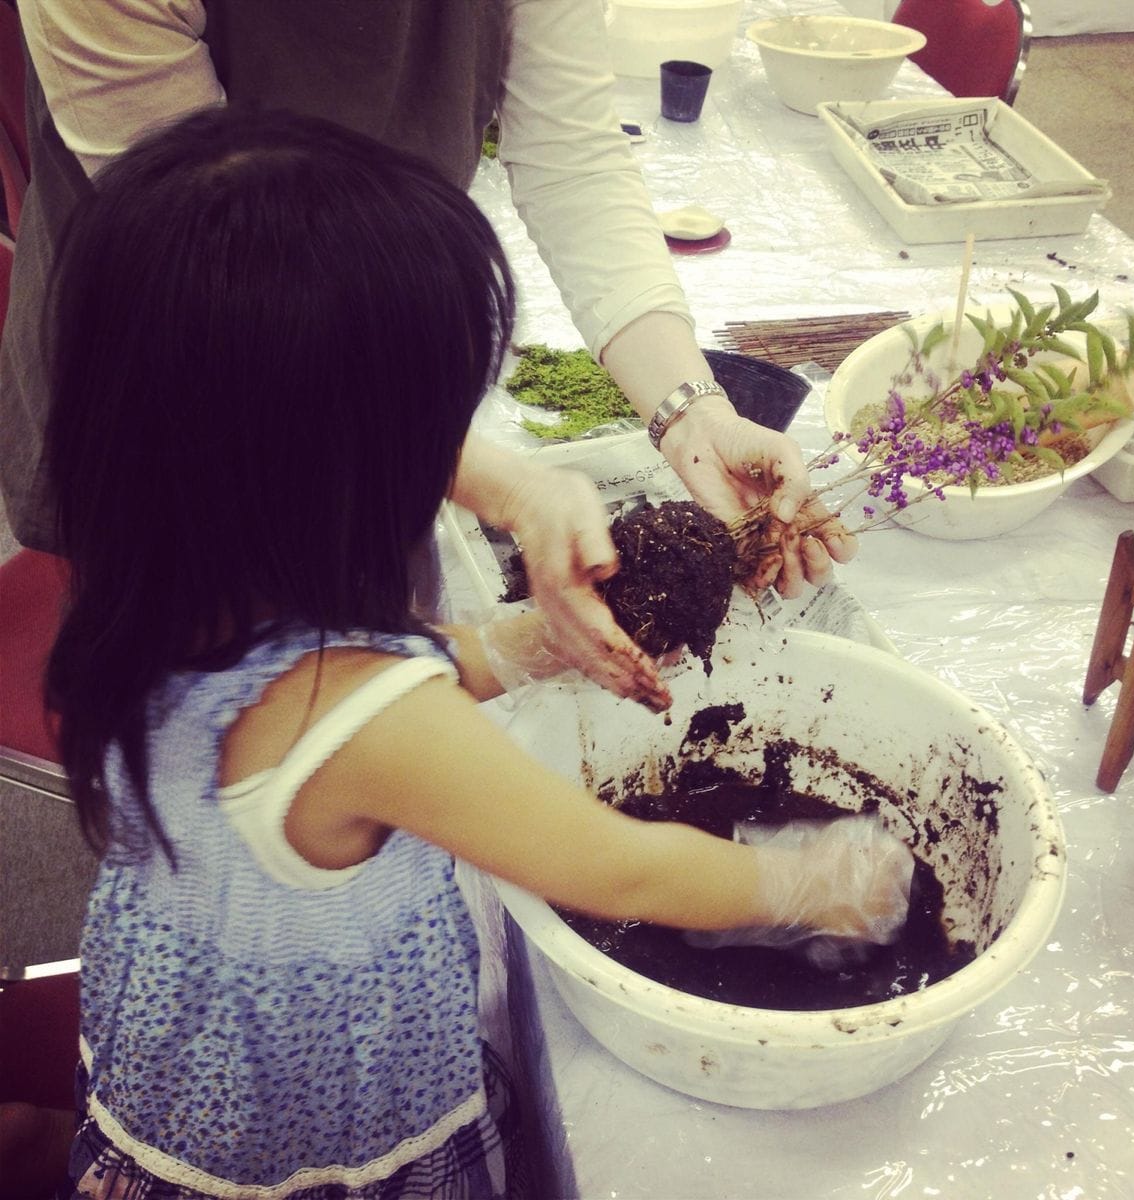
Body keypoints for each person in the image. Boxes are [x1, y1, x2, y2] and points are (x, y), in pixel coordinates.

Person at [43, 108, 911, 1197]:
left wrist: (526, 644)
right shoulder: (375, 719)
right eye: (435, 427)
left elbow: (334, 708)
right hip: (323, 1147)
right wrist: (811, 880)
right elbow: (617, 864)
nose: (457, 461)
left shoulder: (158, 600)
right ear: (342, 469)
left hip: (184, 1084)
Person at [1, 0, 856, 711]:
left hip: (379, 357)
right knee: (232, 682)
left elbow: (573, 159)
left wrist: (695, 418)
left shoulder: (389, 366)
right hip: (169, 366)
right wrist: (506, 487)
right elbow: (215, 263)